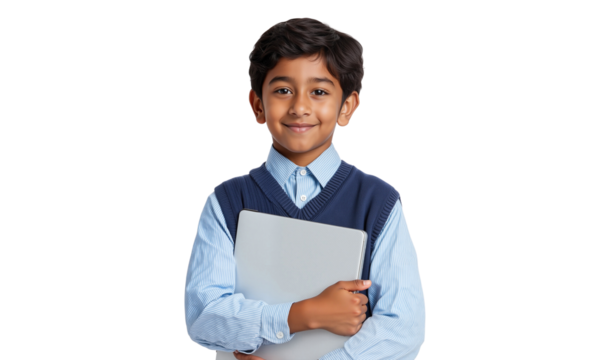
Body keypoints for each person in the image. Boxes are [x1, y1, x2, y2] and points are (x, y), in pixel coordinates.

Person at [183, 17, 427, 359]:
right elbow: (202, 317)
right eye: (283, 90)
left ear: (347, 107)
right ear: (257, 105)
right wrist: (303, 314)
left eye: (319, 92)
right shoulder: (225, 202)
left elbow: (403, 327)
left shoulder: (380, 203)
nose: (300, 107)